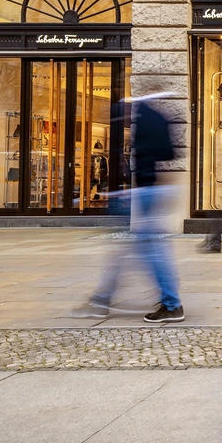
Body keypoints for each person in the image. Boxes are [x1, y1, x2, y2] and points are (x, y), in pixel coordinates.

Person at [71, 94, 185, 323]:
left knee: (147, 251)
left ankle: (171, 304)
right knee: (132, 250)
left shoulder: (143, 117)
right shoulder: (155, 116)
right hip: (148, 189)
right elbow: (169, 153)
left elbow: (148, 155)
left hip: (145, 190)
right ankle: (101, 300)